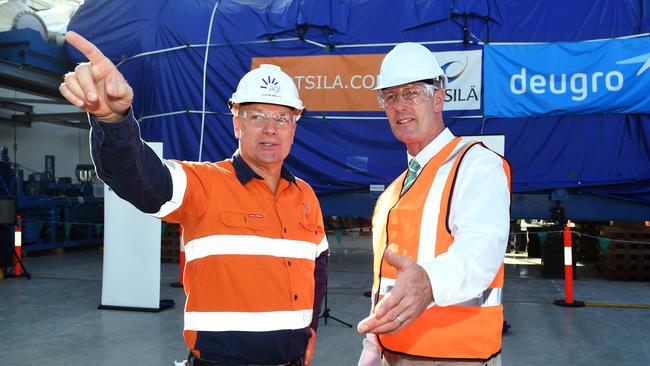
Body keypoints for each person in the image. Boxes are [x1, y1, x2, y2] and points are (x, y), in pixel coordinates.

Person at [59, 31, 328, 366]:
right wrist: (113, 121)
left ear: (294, 127)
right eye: (257, 116)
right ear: (236, 124)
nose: (270, 128)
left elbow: (317, 271)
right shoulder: (203, 184)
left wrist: (309, 336)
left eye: (282, 118)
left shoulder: (305, 196)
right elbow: (139, 178)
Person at [356, 42, 511, 366]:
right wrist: (371, 353)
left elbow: (482, 248)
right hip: (391, 355)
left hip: (455, 358)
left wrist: (429, 280)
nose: (400, 106)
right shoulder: (392, 194)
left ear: (438, 98)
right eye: (391, 96)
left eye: (411, 93)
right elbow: (384, 288)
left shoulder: (476, 165)